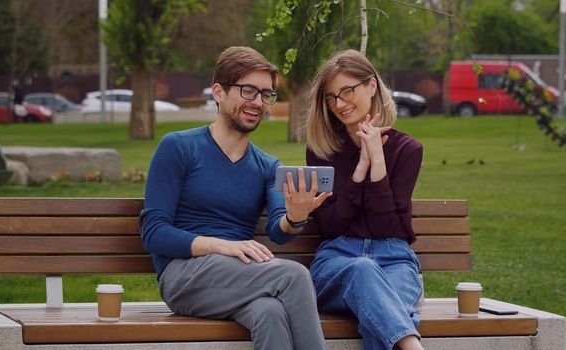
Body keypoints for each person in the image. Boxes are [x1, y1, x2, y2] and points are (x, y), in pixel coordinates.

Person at [140, 46, 330, 350]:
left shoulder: (268, 166)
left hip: (238, 278)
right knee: (293, 276)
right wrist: (218, 245)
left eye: (266, 94)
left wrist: (295, 217)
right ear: (219, 92)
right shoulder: (178, 147)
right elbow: (153, 233)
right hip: (184, 275)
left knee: (270, 312)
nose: (258, 102)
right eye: (248, 91)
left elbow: (277, 233)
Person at [305, 49, 425, 350]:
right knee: (364, 270)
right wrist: (359, 170)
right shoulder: (321, 152)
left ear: (371, 86)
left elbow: (386, 226)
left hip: (394, 259)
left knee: (386, 311)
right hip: (337, 261)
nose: (339, 104)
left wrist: (378, 164)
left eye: (347, 92)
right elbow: (330, 226)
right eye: (331, 98)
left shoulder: (407, 150)